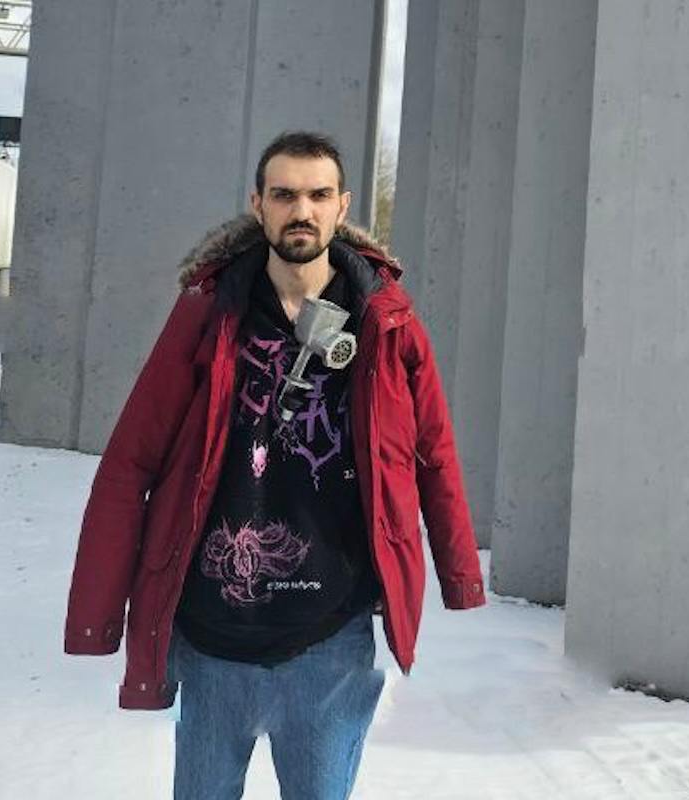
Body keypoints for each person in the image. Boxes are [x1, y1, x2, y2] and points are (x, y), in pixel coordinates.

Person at [65, 131, 485, 799]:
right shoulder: (209, 314)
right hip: (212, 637)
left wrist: (459, 574)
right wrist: (97, 612)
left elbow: (435, 454)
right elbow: (129, 462)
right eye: (285, 194)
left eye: (319, 195)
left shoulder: (386, 321)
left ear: (342, 206)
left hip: (330, 639)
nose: (302, 211)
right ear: (257, 204)